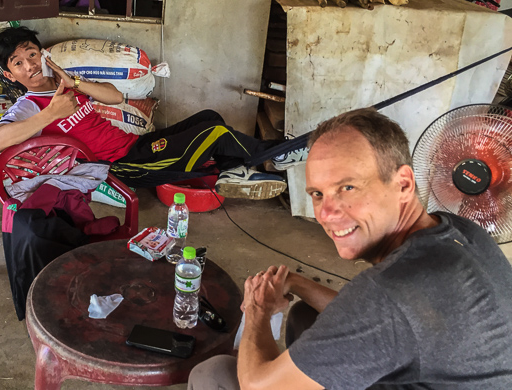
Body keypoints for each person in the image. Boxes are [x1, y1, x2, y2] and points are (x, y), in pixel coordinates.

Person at [188, 108, 512, 389]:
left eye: (348, 187)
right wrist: (296, 282)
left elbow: (258, 386)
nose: (327, 213)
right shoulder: (458, 231)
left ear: (403, 184)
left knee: (214, 374)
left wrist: (257, 308)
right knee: (305, 313)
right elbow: (376, 318)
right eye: (317, 194)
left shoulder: (395, 292)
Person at [0, 26, 291, 200]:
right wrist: (49, 114)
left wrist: (75, 81)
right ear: (11, 74)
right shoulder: (29, 106)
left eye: (31, 54)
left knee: (209, 117)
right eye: (17, 62)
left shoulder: (65, 83)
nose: (29, 65)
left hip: (135, 146)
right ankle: (277, 154)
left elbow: (116, 96)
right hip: (123, 164)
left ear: (43, 54)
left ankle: (231, 170)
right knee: (213, 134)